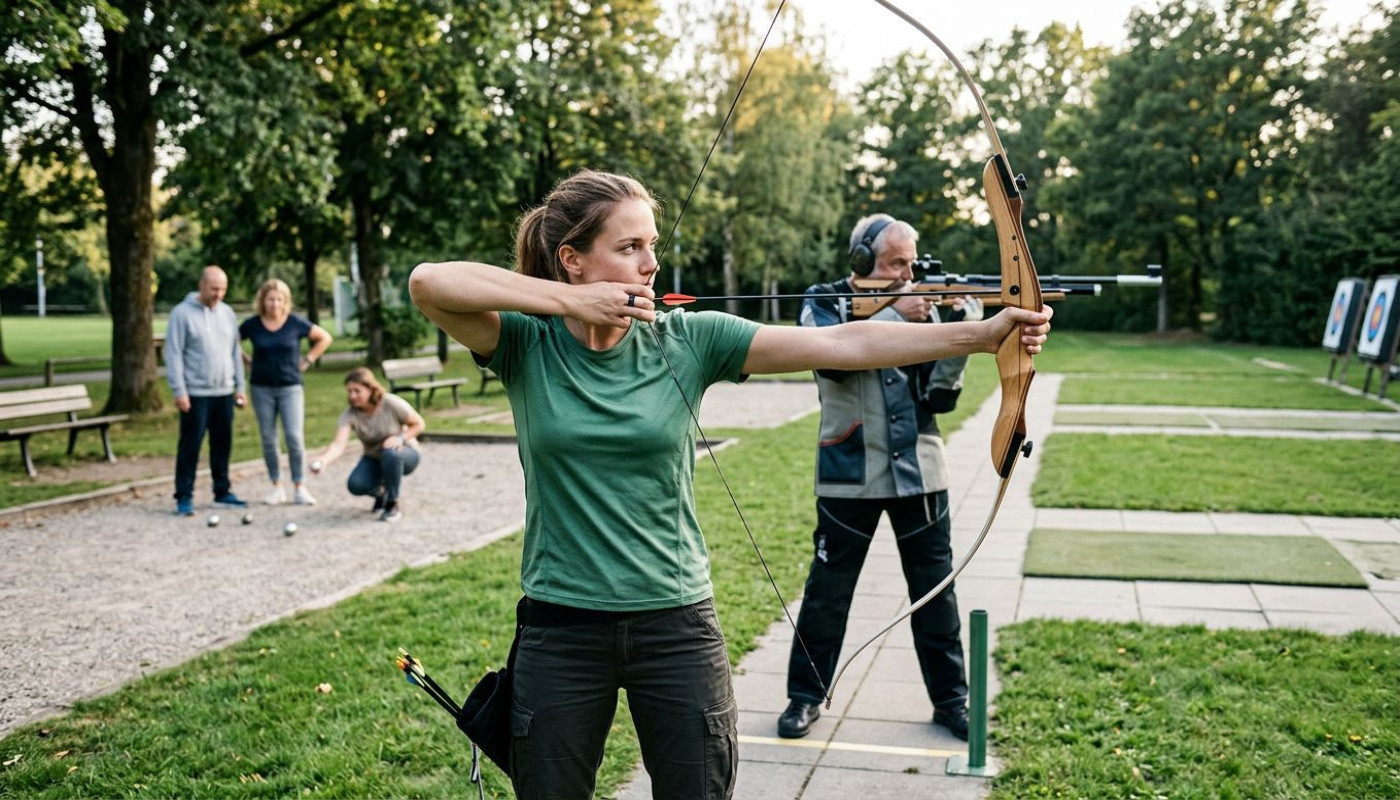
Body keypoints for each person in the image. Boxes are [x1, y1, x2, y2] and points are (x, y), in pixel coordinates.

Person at [407, 170, 1050, 799]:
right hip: (562, 625)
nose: (650, 263)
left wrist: (984, 334)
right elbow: (430, 283)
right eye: (629, 248)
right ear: (571, 259)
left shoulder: (690, 338)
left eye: (652, 244)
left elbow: (844, 343)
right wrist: (568, 303)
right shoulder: (526, 343)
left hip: (676, 621)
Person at [776, 214, 981, 743]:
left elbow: (940, 400)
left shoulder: (923, 310)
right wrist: (894, 311)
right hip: (849, 471)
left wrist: (960, 336)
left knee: (936, 592)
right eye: (894, 264)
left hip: (921, 473)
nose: (905, 274)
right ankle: (804, 696)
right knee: (826, 593)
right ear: (863, 261)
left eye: (911, 264)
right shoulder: (824, 299)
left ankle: (952, 700)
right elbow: (830, 358)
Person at [239, 278, 334, 506]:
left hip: (290, 386)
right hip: (261, 387)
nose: (274, 304)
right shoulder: (252, 325)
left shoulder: (294, 323)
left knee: (294, 437)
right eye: (270, 299)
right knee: (269, 438)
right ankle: (276, 486)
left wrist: (308, 359)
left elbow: (324, 338)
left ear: (285, 302)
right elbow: (232, 342)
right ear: (263, 301)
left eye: (279, 299)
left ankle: (299, 486)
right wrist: (246, 360)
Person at [167, 265, 248, 516]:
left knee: (222, 444)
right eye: (214, 288)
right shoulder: (181, 314)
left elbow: (235, 352)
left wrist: (240, 386)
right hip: (195, 392)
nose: (218, 294)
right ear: (202, 286)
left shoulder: (227, 313)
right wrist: (179, 390)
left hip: (224, 391)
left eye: (223, 289)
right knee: (190, 446)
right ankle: (184, 495)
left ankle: (222, 491)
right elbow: (174, 354)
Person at [311, 367, 425, 522]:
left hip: (405, 453)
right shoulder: (350, 414)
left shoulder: (390, 402)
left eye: (357, 391)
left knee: (390, 453)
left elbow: (419, 424)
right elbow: (338, 445)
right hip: (374, 457)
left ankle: (392, 503)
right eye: (349, 391)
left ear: (370, 389)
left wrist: (400, 438)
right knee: (355, 485)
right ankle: (381, 493)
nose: (352, 396)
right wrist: (324, 460)